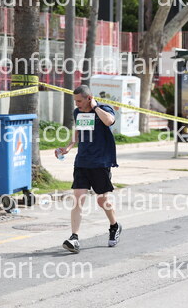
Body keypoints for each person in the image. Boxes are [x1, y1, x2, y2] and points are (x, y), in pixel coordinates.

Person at [56, 85, 122, 253]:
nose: (76, 104)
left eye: (79, 101)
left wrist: (95, 107)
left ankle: (114, 225)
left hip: (100, 162)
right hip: (82, 161)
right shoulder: (78, 112)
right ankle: (74, 238)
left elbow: (109, 121)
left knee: (102, 201)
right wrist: (68, 147)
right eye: (75, 101)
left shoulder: (103, 109)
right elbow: (79, 131)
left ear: (89, 98)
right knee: (78, 198)